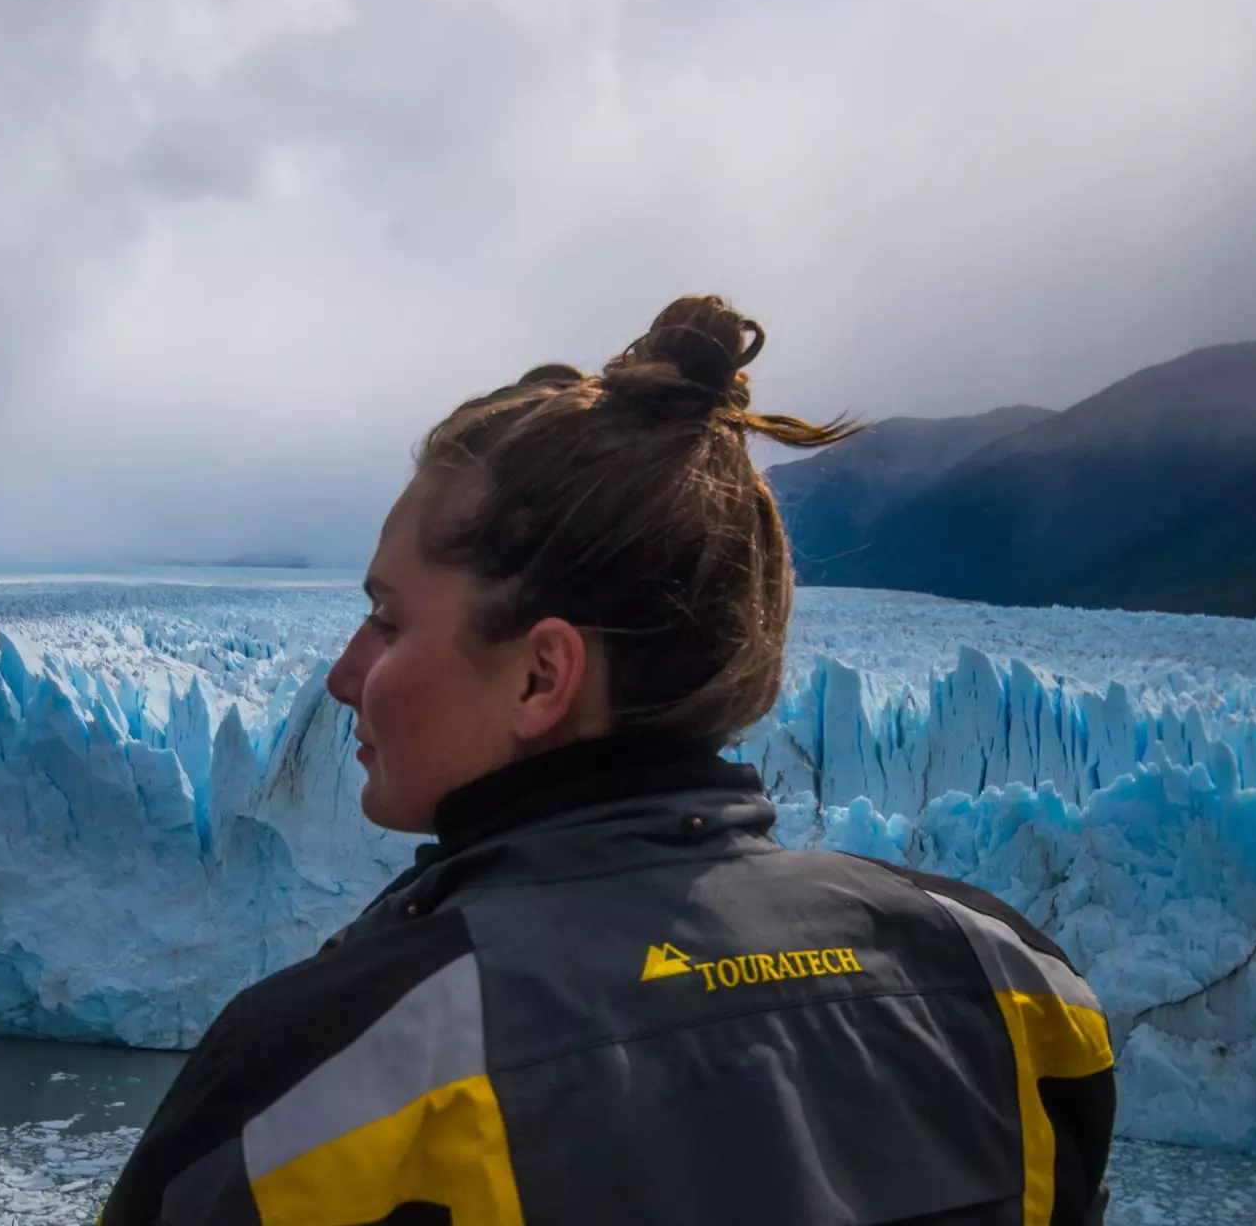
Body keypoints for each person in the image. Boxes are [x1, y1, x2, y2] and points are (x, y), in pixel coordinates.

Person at [101, 296, 1115, 1225]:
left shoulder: (323, 1076)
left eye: (385, 616)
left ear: (543, 674)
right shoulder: (1011, 986)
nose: (344, 672)